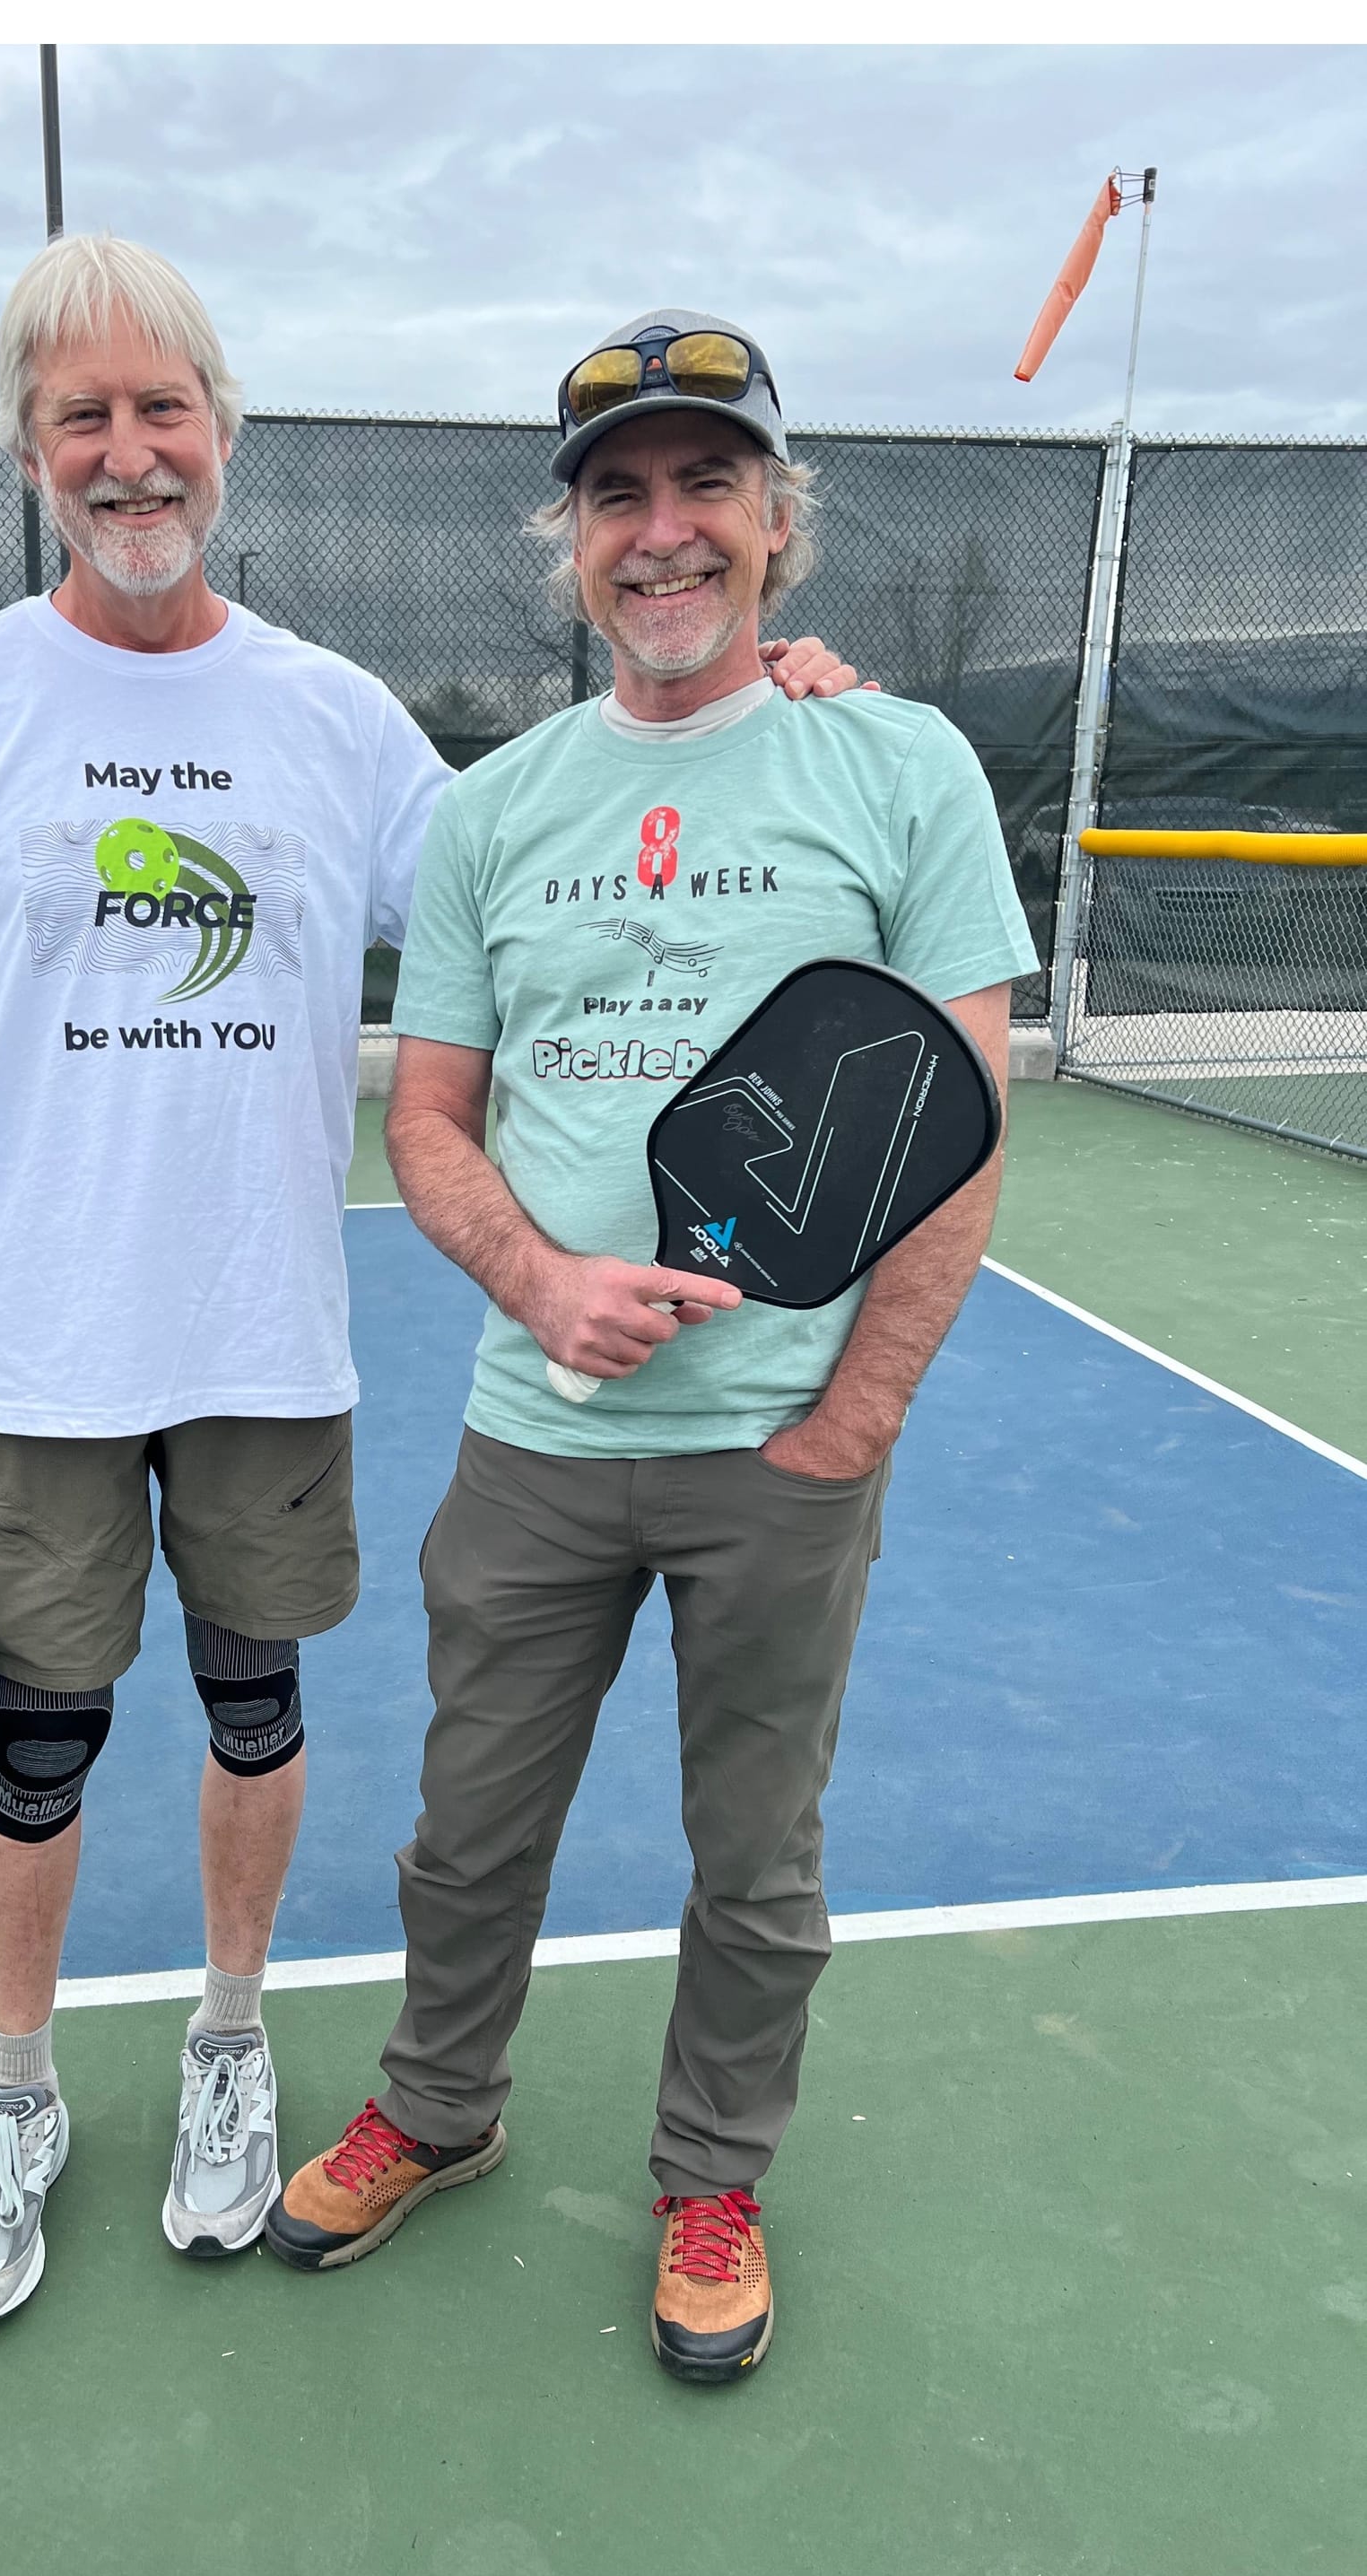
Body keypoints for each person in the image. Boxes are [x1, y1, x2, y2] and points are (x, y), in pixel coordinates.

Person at [0, 250, 863, 2326]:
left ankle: (228, 2042)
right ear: (32, 453)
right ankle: (17, 2083)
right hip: (33, 1347)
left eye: (163, 410)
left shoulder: (330, 717)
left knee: (251, 1705)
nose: (129, 455)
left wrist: (762, 713)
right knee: (40, 1739)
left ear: (223, 431)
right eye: (82, 419)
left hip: (257, 1339)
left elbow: (563, 852)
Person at [266, 309, 1038, 2387]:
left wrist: (849, 1418)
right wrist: (540, 1285)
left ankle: (713, 2173)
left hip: (779, 1454)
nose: (663, 529)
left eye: (707, 485)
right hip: (535, 1440)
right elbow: (427, 1115)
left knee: (753, 1864)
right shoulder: (499, 806)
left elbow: (956, 1124)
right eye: (619, 494)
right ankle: (439, 2106)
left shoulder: (897, 762)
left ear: (778, 524)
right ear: (572, 544)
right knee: (467, 1830)